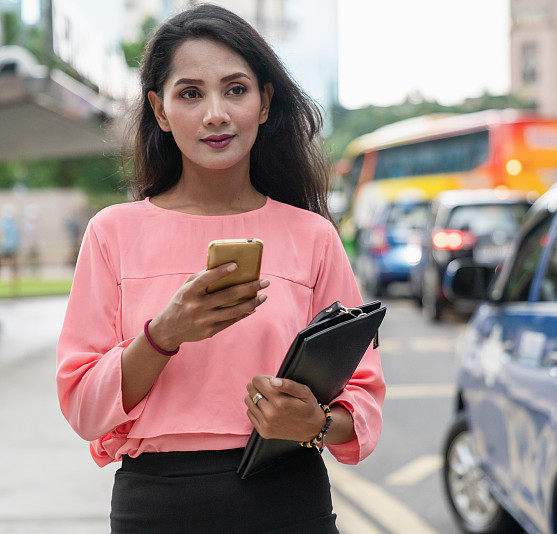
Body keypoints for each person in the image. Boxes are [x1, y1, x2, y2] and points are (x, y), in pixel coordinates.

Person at [55, 5, 385, 533]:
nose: (216, 114)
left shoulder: (313, 237)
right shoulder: (112, 233)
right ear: (159, 111)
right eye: (190, 93)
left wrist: (316, 421)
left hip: (290, 501)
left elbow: (362, 397)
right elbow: (84, 410)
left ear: (265, 102)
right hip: (156, 509)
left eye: (236, 89)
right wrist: (164, 334)